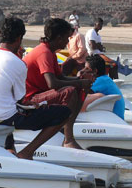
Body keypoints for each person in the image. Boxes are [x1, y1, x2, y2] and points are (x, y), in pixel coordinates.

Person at [0, 16, 70, 160]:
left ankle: (10, 150)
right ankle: (27, 152)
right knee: (64, 113)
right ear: (19, 38)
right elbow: (20, 99)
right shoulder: (17, 63)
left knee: (9, 108)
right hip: (4, 118)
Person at [23, 18, 91, 150]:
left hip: (39, 93)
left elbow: (60, 77)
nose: (67, 42)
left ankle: (67, 134)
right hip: (29, 99)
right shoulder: (44, 52)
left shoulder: (50, 52)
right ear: (59, 38)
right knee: (70, 91)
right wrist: (79, 82)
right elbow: (52, 83)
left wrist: (81, 80)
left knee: (80, 88)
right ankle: (68, 139)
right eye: (66, 38)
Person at [82, 54, 125, 119]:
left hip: (114, 117)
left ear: (95, 71)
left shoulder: (100, 80)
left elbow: (82, 94)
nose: (83, 70)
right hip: (116, 116)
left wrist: (79, 77)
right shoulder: (105, 79)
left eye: (87, 68)